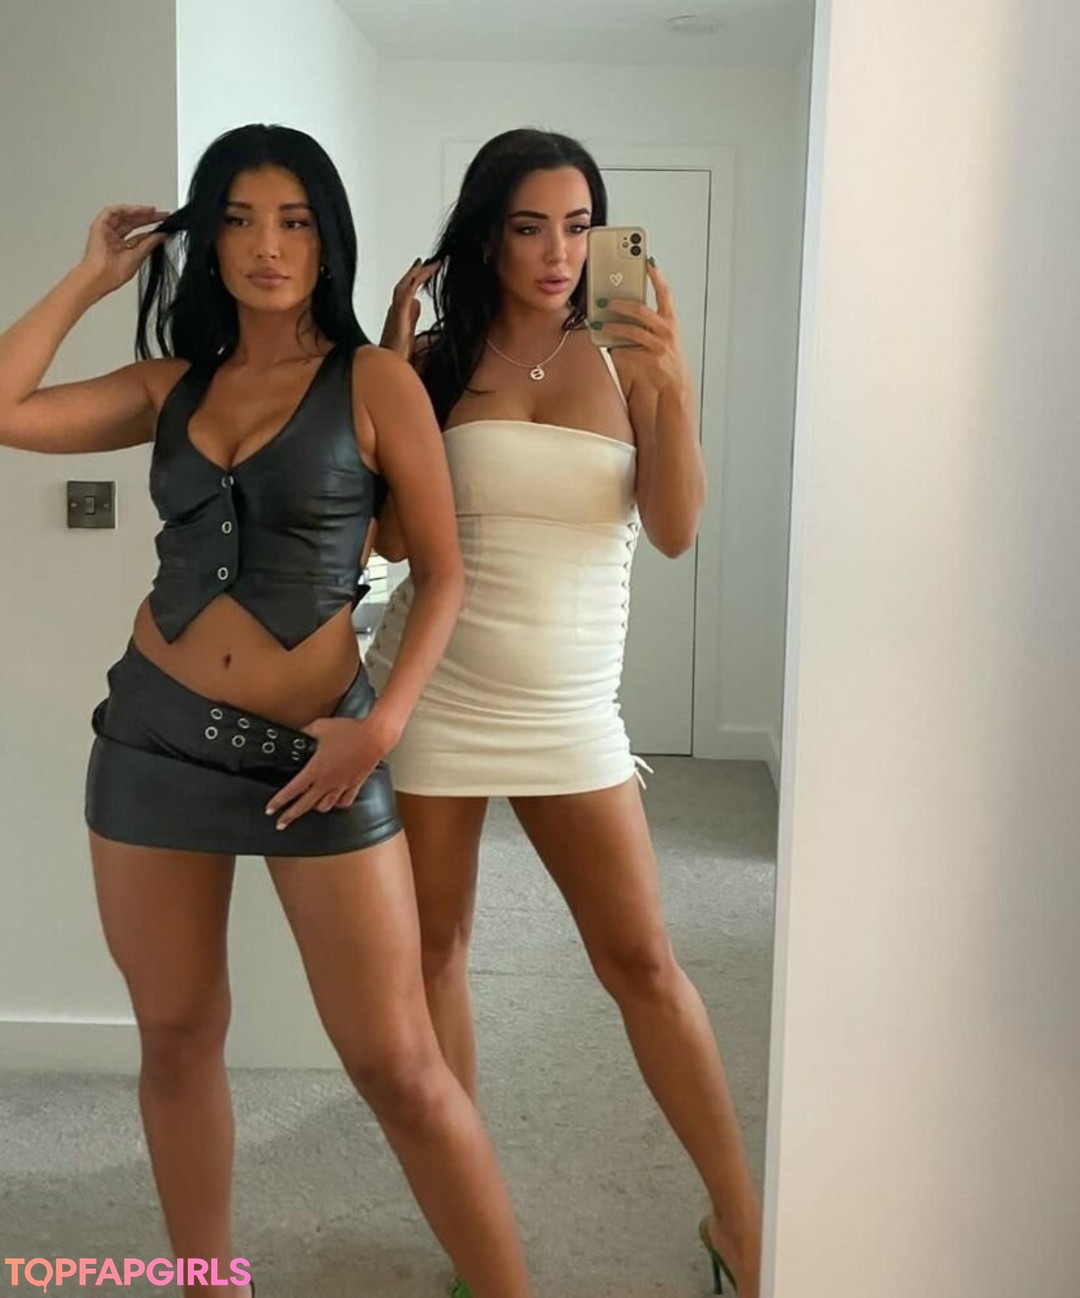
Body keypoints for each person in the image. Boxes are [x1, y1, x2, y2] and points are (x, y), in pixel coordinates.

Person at [0, 124, 531, 1298]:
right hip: (151, 742)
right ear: (208, 241)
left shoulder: (376, 381)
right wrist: (90, 277)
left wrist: (380, 728)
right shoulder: (170, 386)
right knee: (178, 1036)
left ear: (326, 237)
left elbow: (446, 573)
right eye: (237, 219)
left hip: (320, 751)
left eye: (292, 219)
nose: (265, 245)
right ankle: (209, 1282)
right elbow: (4, 404)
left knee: (397, 1060)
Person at [371, 127, 763, 1298]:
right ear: (488, 235)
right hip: (438, 695)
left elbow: (676, 528)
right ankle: (474, 1231)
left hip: (571, 710)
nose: (558, 252)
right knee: (435, 952)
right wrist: (384, 378)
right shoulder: (435, 360)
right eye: (531, 226)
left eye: (580, 226)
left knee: (643, 959)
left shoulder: (629, 358)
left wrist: (675, 388)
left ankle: (742, 1222)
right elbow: (390, 542)